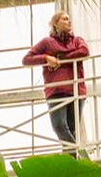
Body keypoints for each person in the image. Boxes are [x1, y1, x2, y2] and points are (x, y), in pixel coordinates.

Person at [22, 11, 90, 153]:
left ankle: (72, 162)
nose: (69, 21)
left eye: (69, 19)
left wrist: (60, 58)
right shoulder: (47, 42)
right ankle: (79, 156)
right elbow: (26, 59)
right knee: (59, 126)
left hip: (76, 90)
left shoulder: (77, 40)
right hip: (56, 91)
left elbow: (84, 51)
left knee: (71, 130)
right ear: (55, 23)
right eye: (65, 19)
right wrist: (47, 57)